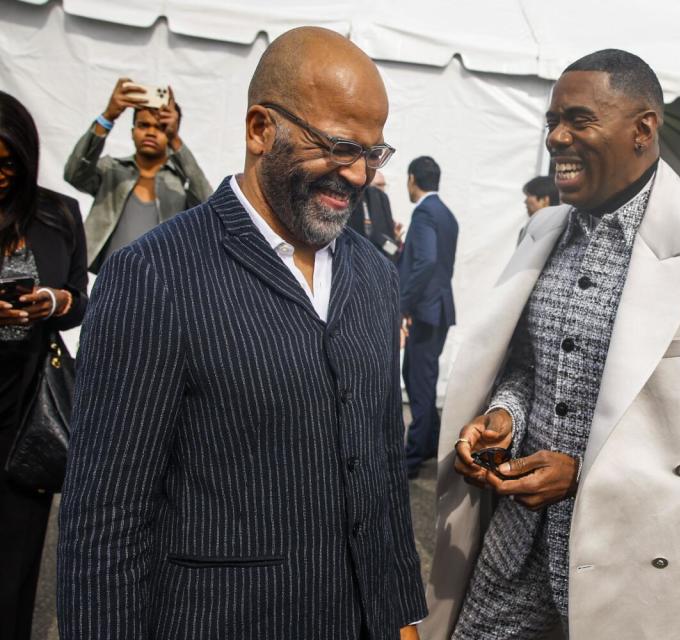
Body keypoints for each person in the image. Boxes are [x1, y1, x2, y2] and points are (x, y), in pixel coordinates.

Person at [58, 28, 426, 640]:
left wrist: (402, 614)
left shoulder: (376, 280)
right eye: (338, 147)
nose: (358, 175)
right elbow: (105, 519)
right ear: (260, 129)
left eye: (373, 152)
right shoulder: (153, 275)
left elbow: (383, 468)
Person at [422, 49, 680, 640]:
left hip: (639, 571)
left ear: (643, 129)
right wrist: (504, 414)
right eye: (552, 121)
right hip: (517, 546)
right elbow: (527, 365)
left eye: (578, 120)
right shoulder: (541, 230)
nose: (557, 137)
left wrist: (583, 473)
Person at [0, 91, 87, 640]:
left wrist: (53, 302)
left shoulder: (57, 214)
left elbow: (82, 297)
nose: (0, 175)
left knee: (15, 569)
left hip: (25, 414)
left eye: (9, 162)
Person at [64, 78, 212, 272]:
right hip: (111, 282)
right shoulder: (112, 170)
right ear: (133, 132)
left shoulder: (178, 183)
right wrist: (108, 117)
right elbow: (74, 173)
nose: (151, 132)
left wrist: (175, 140)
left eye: (160, 127)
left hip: (162, 285)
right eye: (144, 125)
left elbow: (208, 203)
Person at [399, 156, 458, 479]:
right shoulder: (447, 215)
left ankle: (412, 457)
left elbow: (426, 261)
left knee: (419, 382)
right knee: (419, 375)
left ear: (412, 179)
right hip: (441, 307)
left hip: (425, 309)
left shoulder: (423, 213)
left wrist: (404, 304)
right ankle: (431, 440)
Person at [347, 169, 403, 260]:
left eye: (383, 185)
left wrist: (395, 240)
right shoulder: (356, 210)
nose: (382, 190)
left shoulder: (384, 212)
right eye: (378, 185)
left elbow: (391, 251)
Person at [518, 176, 559, 244]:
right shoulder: (563, 228)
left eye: (528, 196)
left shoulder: (558, 231)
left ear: (544, 200)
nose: (525, 201)